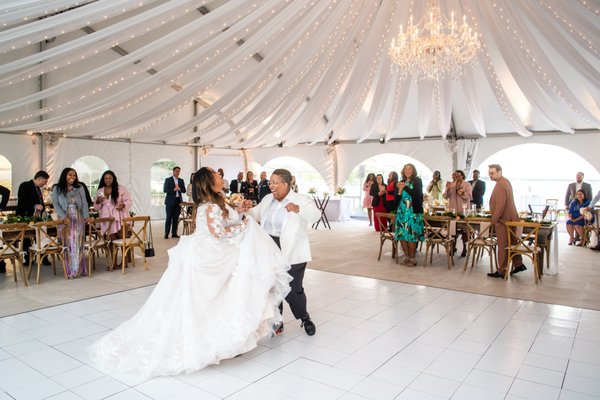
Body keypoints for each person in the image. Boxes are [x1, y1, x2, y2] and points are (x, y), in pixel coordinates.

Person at [87, 167, 291, 377]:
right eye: (217, 176)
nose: (221, 177)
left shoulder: (216, 201)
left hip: (213, 253)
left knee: (224, 296)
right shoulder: (210, 206)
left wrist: (238, 212)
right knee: (216, 297)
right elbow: (218, 233)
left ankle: (228, 341)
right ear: (209, 183)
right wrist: (245, 225)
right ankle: (216, 341)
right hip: (210, 257)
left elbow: (223, 222)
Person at [245, 168, 320, 336]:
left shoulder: (301, 199)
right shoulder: (267, 199)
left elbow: (316, 216)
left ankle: (304, 317)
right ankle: (276, 322)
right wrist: (245, 209)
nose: (271, 185)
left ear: (286, 184)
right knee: (271, 286)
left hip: (293, 251)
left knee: (293, 288)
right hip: (269, 247)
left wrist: (298, 208)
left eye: (275, 182)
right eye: (270, 182)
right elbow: (255, 213)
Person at [487, 164, 527, 278]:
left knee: (503, 245)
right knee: (512, 243)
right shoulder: (505, 182)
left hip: (503, 220)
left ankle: (501, 270)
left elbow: (500, 205)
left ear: (499, 172)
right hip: (510, 218)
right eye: (489, 173)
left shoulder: (500, 185)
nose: (490, 175)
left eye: (492, 173)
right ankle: (518, 264)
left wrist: (494, 219)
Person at [52, 167, 93, 278]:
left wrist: (86, 216)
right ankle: (70, 270)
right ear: (64, 175)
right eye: (70, 175)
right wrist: (63, 217)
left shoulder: (79, 187)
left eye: (74, 175)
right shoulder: (57, 188)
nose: (72, 177)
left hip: (78, 218)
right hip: (65, 218)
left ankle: (79, 269)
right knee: (68, 244)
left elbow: (84, 203)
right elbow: (55, 204)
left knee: (78, 243)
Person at [16, 170, 50, 266]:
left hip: (36, 217)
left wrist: (42, 207)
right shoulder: (25, 185)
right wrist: (35, 205)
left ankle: (43, 257)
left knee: (41, 236)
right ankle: (27, 259)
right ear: (39, 179)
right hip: (25, 216)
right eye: (45, 181)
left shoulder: (38, 188)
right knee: (26, 238)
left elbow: (40, 201)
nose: (45, 183)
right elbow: (22, 200)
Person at [395, 164, 424, 267]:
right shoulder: (401, 182)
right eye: (405, 169)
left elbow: (416, 194)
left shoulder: (417, 181)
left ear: (413, 170)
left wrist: (405, 187)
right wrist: (399, 190)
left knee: (412, 235)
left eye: (409, 169)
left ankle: (413, 258)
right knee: (402, 234)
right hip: (401, 212)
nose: (407, 171)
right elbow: (396, 199)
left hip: (413, 213)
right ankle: (407, 257)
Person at [94, 170, 132, 239]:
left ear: (114, 179)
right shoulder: (100, 191)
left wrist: (123, 205)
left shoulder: (121, 188)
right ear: (103, 179)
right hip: (107, 220)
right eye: (106, 178)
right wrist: (97, 201)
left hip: (120, 219)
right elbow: (96, 208)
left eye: (110, 178)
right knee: (109, 242)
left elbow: (129, 200)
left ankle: (126, 250)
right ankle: (111, 250)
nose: (108, 180)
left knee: (123, 241)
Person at [443, 170, 472, 256]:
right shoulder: (451, 184)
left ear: (462, 176)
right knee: (452, 229)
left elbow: (469, 196)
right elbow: (445, 196)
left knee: (464, 231)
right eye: (454, 175)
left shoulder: (467, 184)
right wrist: (448, 188)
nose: (456, 177)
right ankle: (453, 247)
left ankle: (464, 248)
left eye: (458, 175)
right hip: (453, 210)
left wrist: (460, 190)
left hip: (463, 211)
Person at [163, 166, 186, 239]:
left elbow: (184, 190)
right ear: (173, 171)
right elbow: (165, 190)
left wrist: (179, 188)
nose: (178, 172)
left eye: (179, 171)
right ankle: (166, 234)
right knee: (169, 218)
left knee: (176, 218)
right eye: (176, 171)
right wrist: (174, 189)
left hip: (178, 201)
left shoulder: (181, 180)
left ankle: (174, 233)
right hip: (170, 202)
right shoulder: (168, 180)